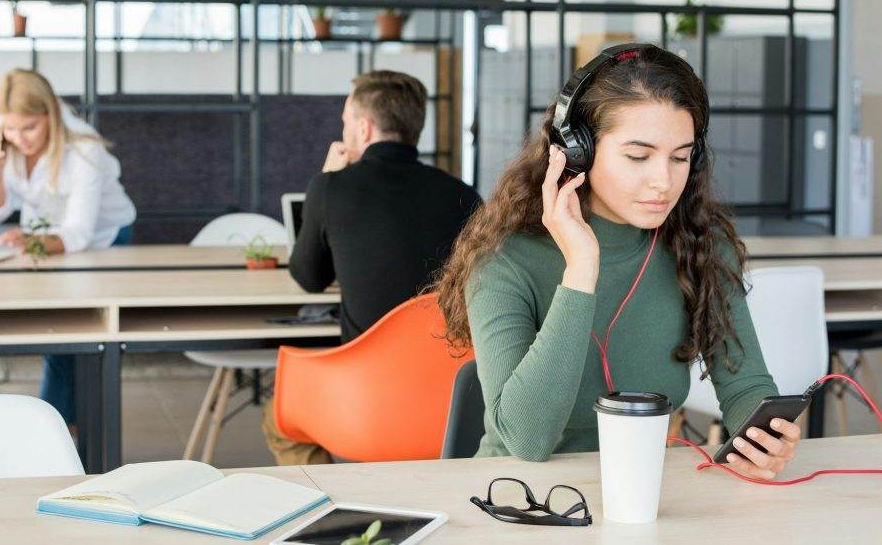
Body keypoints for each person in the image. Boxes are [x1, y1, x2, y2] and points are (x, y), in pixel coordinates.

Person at [435, 44, 801, 480]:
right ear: (576, 152)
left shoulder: (701, 244)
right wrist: (582, 268)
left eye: (680, 157)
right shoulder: (503, 260)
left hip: (643, 490)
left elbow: (745, 386)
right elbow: (527, 440)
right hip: (519, 497)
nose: (664, 181)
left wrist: (762, 441)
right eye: (638, 156)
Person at [263, 70, 482, 465]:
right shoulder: (463, 195)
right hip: (450, 405)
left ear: (363, 129)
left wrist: (328, 179)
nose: (344, 129)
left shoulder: (331, 188)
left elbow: (309, 278)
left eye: (345, 121)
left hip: (363, 403)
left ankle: (331, 508)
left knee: (279, 420)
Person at [0, 68, 136, 428]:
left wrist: (28, 240)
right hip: (47, 240)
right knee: (61, 340)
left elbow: (79, 233)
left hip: (107, 239)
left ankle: (56, 435)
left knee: (74, 342)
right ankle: (62, 434)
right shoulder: (6, 133)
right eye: (11, 129)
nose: (20, 139)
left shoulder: (84, 149)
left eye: (30, 128)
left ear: (50, 113)